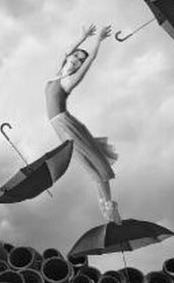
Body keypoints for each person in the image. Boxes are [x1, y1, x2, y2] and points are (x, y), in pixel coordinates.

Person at [45, 24, 121, 223]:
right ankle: (107, 205)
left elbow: (90, 60)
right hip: (61, 127)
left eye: (80, 61)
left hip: (66, 125)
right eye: (76, 57)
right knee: (89, 163)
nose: (77, 61)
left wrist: (97, 42)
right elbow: (66, 52)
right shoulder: (56, 75)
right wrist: (82, 37)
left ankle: (109, 207)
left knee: (93, 165)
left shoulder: (67, 82)